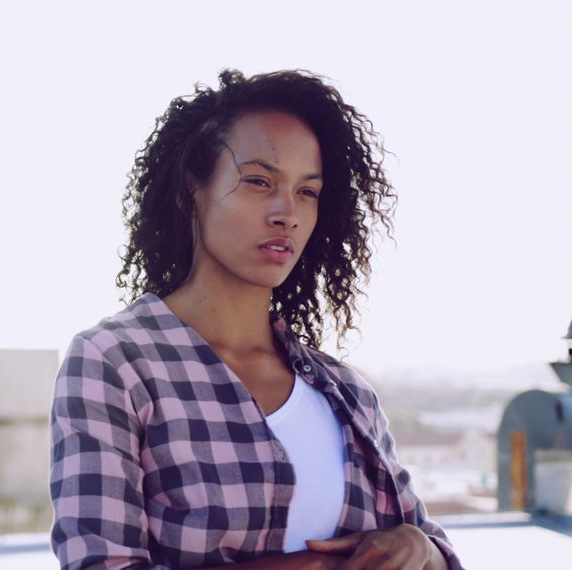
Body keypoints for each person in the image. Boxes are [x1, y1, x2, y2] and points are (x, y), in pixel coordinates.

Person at [48, 69, 463, 570]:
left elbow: (431, 545)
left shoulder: (345, 391)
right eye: (259, 181)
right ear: (191, 191)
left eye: (307, 192)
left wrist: (421, 549)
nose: (286, 212)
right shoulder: (116, 364)